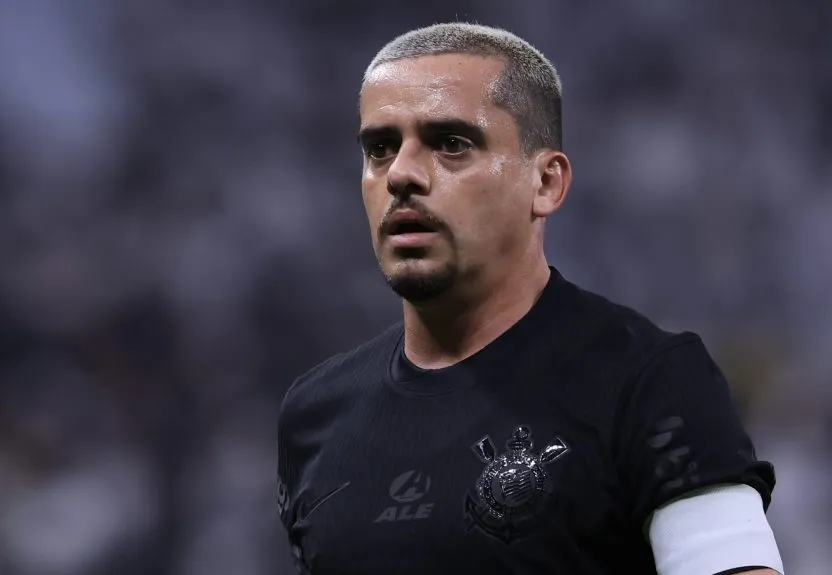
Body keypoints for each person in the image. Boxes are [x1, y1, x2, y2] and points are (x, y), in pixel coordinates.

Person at [275, 22, 784, 575]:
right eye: (380, 148)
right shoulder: (316, 413)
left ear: (546, 183)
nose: (401, 174)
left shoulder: (651, 384)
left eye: (451, 144)